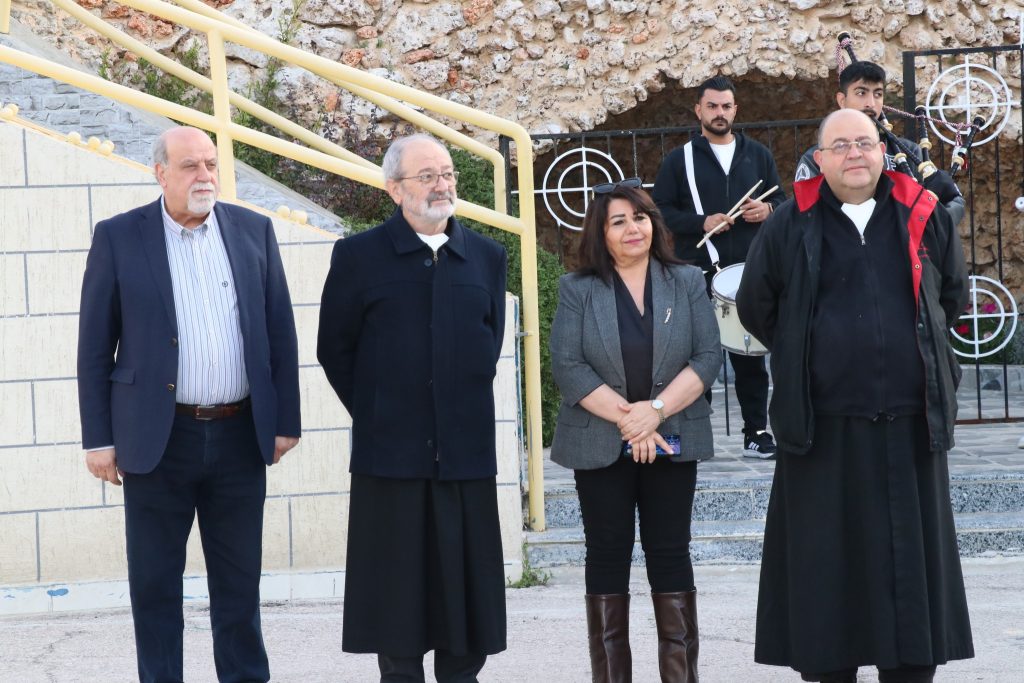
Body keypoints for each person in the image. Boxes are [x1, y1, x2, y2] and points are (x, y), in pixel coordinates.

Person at [737, 109, 974, 682]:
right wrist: (810, 346)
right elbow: (756, 305)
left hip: (910, 427)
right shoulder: (789, 222)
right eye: (839, 145)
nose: (854, 154)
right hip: (822, 430)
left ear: (882, 152)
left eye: (864, 143)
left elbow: (950, 296)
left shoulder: (923, 215)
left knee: (910, 571)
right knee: (828, 572)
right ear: (820, 160)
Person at [77, 126, 301, 682]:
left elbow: (279, 330)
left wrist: (285, 421)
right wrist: (98, 439)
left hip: (239, 435)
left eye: (211, 164)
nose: (205, 176)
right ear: (160, 173)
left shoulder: (253, 231)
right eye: (190, 166)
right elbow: (94, 346)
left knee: (239, 586)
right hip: (156, 440)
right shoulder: (119, 237)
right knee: (154, 587)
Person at [317, 134, 508, 682]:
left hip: (465, 460)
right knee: (397, 615)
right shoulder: (358, 257)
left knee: (464, 614)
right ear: (394, 189)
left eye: (446, 174)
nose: (441, 185)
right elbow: (335, 349)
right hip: (391, 462)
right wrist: (381, 412)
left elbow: (489, 346)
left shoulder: (487, 257)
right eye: (427, 176)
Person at [549, 179, 722, 683]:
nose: (632, 228)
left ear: (654, 224)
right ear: (600, 234)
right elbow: (568, 366)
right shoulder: (578, 289)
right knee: (607, 554)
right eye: (618, 221)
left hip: (674, 434)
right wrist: (634, 420)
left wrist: (656, 412)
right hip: (599, 440)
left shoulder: (686, 281)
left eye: (640, 217)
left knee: (670, 553)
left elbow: (707, 357)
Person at [652, 75, 786, 460]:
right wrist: (702, 222)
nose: (719, 112)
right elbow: (660, 211)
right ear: (699, 110)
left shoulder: (758, 155)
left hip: (748, 273)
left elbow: (781, 200)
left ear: (735, 110)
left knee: (750, 358)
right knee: (695, 360)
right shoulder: (679, 160)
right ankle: (696, 435)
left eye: (726, 106)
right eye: (712, 106)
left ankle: (756, 433)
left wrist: (768, 209)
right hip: (697, 273)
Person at [795, 60, 966, 226]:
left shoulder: (909, 152)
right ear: (842, 100)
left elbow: (952, 202)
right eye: (861, 93)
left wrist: (926, 225)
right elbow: (803, 214)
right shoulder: (817, 158)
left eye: (877, 94)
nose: (871, 103)